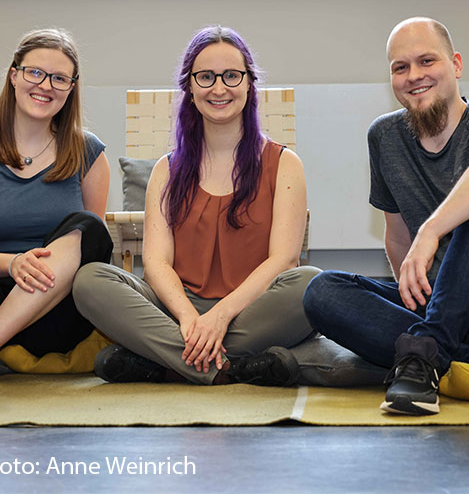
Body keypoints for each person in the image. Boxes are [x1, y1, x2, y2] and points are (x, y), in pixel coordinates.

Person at [73, 25, 327, 387]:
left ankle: (166, 363)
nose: (219, 88)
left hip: (251, 309)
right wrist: (191, 320)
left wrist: (220, 316)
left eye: (231, 76)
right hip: (177, 310)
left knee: (310, 284)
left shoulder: (286, 163)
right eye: (206, 77)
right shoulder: (166, 169)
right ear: (190, 88)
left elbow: (284, 261)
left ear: (249, 84)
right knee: (89, 280)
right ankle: (229, 368)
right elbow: (157, 263)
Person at [303, 17, 469, 416]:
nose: (413, 76)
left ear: (456, 64)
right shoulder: (384, 136)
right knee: (322, 291)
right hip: (440, 305)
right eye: (400, 68)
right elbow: (398, 236)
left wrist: (432, 231)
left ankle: (422, 356)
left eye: (426, 61)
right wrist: (416, 293)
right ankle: (444, 354)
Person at [0, 28, 113, 405]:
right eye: (34, 72)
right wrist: (14, 263)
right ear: (14, 75)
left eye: (59, 78)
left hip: (54, 312)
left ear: (71, 88)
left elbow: (90, 257)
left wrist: (34, 268)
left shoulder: (89, 152)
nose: (45, 85)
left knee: (89, 227)